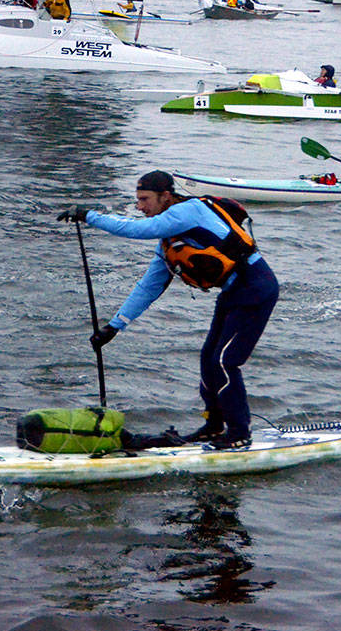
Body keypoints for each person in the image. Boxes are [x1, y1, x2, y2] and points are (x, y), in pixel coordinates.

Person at [57, 170, 278, 449]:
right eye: (137, 200)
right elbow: (148, 288)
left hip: (257, 287)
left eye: (145, 199)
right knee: (208, 359)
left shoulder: (189, 210)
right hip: (234, 292)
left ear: (166, 196)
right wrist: (113, 327)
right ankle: (213, 426)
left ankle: (239, 433)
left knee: (224, 361)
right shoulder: (168, 243)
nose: (140, 207)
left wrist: (89, 216)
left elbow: (136, 230)